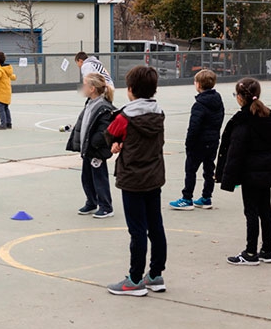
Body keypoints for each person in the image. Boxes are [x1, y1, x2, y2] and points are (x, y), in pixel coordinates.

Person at [104, 65, 167, 296]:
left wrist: (117, 141)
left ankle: (134, 279)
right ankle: (156, 274)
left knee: (137, 230)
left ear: (130, 89)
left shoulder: (124, 116)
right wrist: (122, 142)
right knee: (155, 226)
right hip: (154, 175)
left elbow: (110, 133)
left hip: (132, 178)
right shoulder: (158, 113)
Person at [216, 78, 271, 266]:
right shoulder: (269, 117)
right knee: (265, 210)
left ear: (240, 98)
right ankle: (267, 250)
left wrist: (227, 177)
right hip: (267, 170)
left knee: (252, 211)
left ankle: (251, 252)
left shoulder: (243, 122)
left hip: (251, 173)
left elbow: (235, 152)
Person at [169, 69, 225, 210]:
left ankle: (187, 197)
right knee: (209, 169)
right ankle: (207, 197)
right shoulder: (218, 101)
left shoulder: (199, 105)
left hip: (199, 143)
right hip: (213, 141)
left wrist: (189, 143)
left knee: (191, 170)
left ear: (199, 84)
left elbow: (194, 127)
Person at [66, 72, 115, 218]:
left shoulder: (104, 107)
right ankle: (91, 202)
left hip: (96, 151)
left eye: (85, 84)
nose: (82, 87)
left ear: (92, 88)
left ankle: (106, 206)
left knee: (99, 178)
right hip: (87, 150)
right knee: (86, 178)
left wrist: (93, 143)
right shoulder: (90, 103)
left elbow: (103, 131)